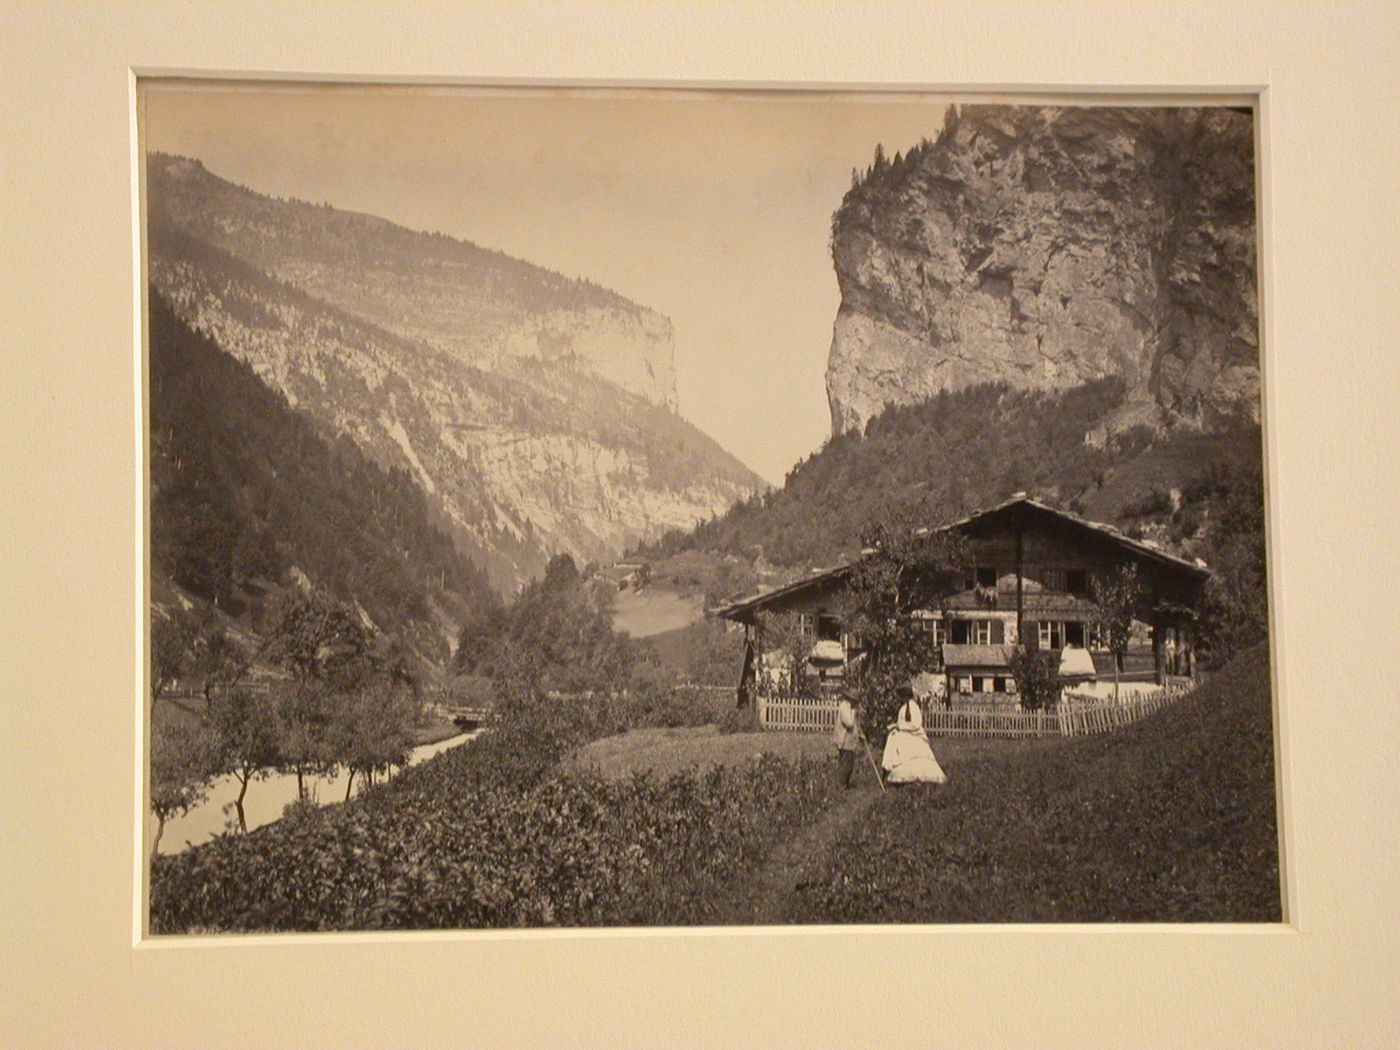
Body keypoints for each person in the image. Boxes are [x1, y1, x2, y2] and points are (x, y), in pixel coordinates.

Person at [880, 687, 948, 785]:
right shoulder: (904, 708)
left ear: (905, 697)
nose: (899, 699)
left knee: (899, 742)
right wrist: (896, 726)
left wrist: (899, 726)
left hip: (914, 734)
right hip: (905, 733)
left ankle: (916, 776)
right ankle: (890, 772)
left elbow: (916, 724)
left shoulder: (914, 707)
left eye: (900, 697)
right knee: (893, 739)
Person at [832, 688, 864, 789]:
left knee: (849, 764)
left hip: (850, 741)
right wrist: (854, 712)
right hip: (844, 740)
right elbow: (849, 723)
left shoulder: (850, 707)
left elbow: (855, 724)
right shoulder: (845, 707)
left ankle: (844, 785)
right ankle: (840, 785)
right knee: (845, 764)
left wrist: (860, 733)